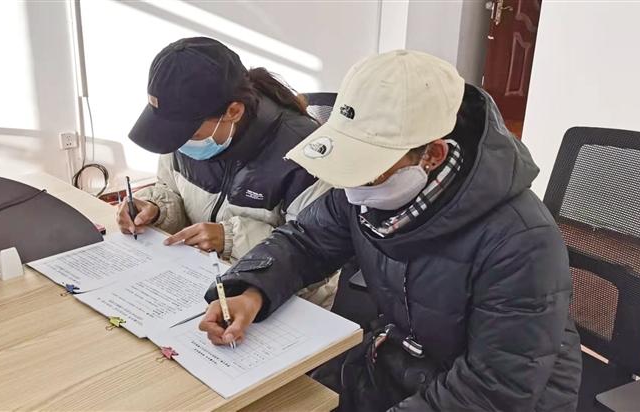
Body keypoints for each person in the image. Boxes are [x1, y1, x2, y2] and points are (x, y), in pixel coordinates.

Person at [198, 50, 582, 411]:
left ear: (433, 155)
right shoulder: (373, 192)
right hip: (401, 359)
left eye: (369, 167)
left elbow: (493, 388)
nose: (353, 186)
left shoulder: (522, 241)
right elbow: (307, 241)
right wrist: (252, 292)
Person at [116, 37, 336, 307]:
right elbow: (170, 189)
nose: (179, 143)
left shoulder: (305, 154)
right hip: (200, 283)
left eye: (190, 134)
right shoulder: (182, 133)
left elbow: (316, 255)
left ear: (233, 111)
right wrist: (155, 208)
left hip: (286, 303)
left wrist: (230, 239)